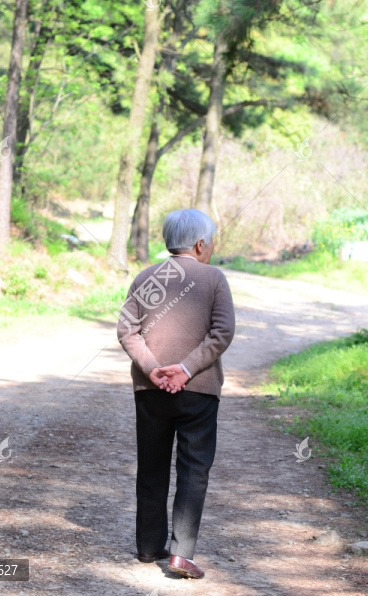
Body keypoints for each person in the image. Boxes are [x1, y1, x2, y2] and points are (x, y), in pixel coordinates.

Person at [116, 208, 236, 580]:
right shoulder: (214, 279)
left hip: (150, 391)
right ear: (200, 244)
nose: (212, 248)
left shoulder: (146, 277)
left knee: (151, 466)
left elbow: (127, 330)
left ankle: (149, 545)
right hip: (198, 391)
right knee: (193, 470)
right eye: (211, 241)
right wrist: (184, 370)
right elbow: (221, 334)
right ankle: (182, 554)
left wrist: (153, 368)